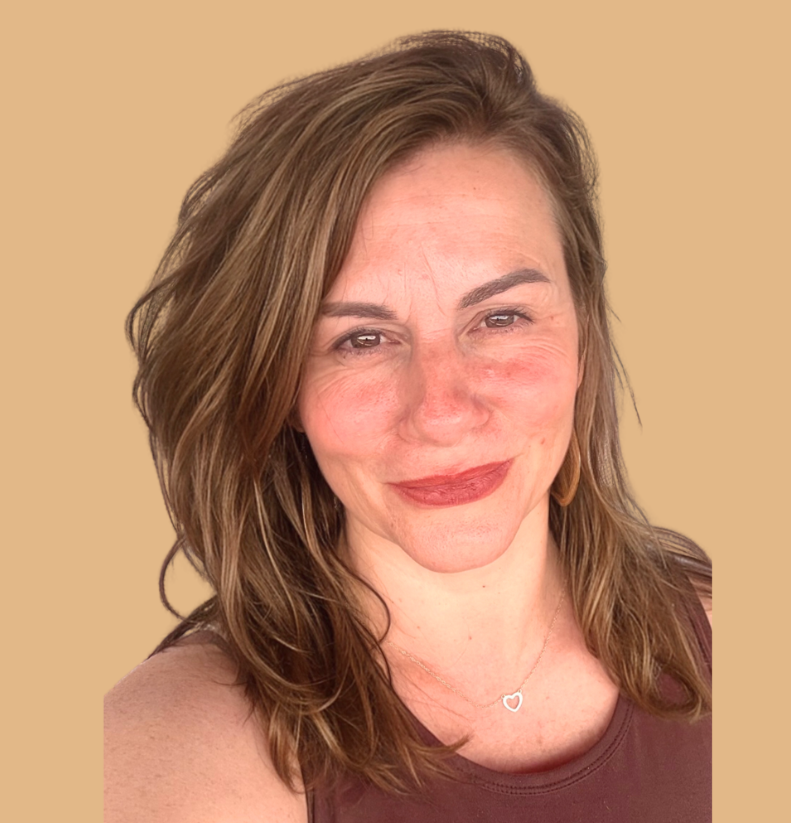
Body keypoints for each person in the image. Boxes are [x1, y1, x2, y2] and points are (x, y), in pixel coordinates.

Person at [104, 31, 712, 822]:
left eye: (499, 317)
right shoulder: (173, 748)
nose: (441, 407)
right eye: (360, 338)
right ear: (281, 383)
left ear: (582, 336)